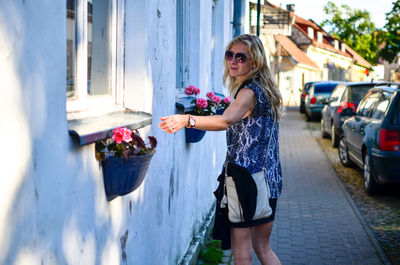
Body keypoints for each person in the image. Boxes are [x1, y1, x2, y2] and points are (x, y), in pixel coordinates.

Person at [158, 34, 282, 265]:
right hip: (270, 180)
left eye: (241, 57)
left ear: (254, 62)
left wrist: (187, 120)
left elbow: (225, 120)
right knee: (264, 248)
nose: (233, 61)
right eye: (229, 55)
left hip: (246, 181)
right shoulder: (266, 90)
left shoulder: (248, 93)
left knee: (242, 253)